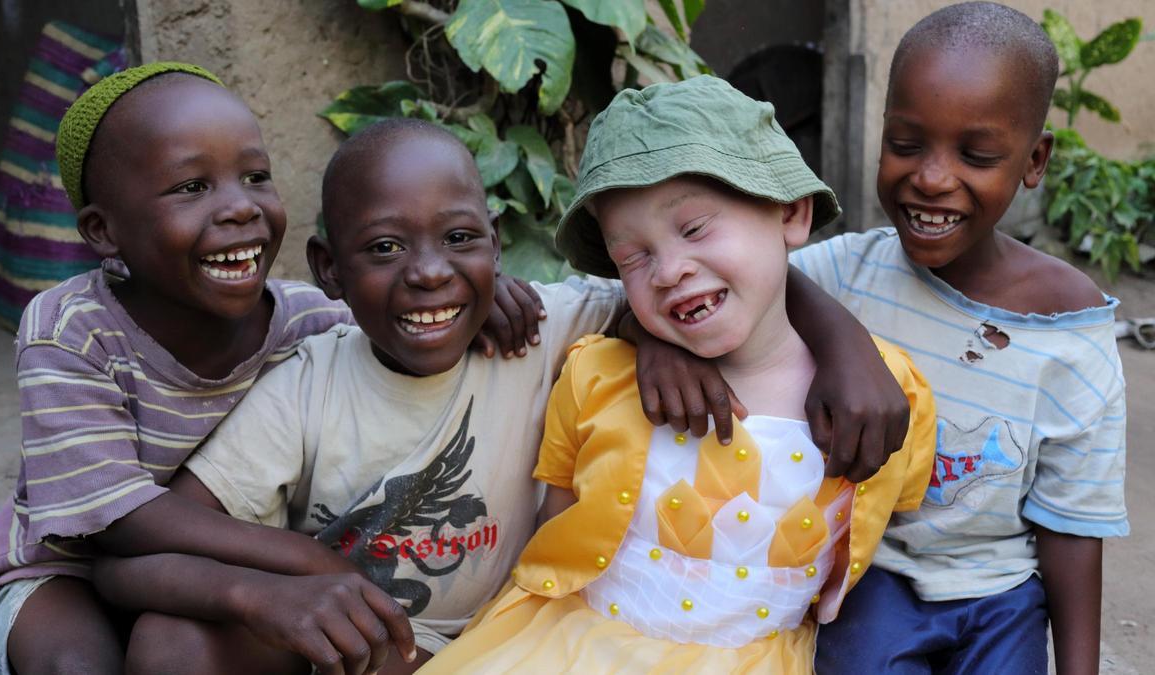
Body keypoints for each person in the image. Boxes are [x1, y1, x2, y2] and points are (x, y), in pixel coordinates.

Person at [92, 116, 922, 675]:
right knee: (170, 641)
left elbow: (716, 294)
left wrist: (823, 343)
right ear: (328, 270)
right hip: (356, 645)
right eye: (384, 246)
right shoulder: (305, 392)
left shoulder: (550, 326)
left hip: (510, 637)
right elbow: (126, 562)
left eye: (459, 240)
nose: (427, 272)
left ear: (497, 247)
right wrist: (271, 589)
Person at [0, 63, 545, 675]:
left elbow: (406, 302)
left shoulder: (309, 319)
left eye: (255, 176)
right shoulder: (70, 332)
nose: (240, 207)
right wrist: (305, 566)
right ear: (104, 231)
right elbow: (116, 524)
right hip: (66, 565)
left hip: (210, 564)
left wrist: (477, 292)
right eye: (191, 187)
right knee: (78, 664)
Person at [417, 76, 938, 675]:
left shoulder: (890, 394)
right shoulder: (596, 376)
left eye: (693, 228)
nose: (668, 270)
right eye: (632, 256)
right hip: (573, 649)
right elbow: (555, 536)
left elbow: (891, 526)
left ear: (791, 213)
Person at [800, 4, 1129, 674]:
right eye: (905, 143)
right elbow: (740, 288)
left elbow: (1071, 525)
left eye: (975, 155)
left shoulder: (1070, 334)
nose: (931, 177)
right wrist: (841, 336)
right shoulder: (847, 273)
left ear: (1034, 160)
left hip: (1000, 591)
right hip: (871, 576)